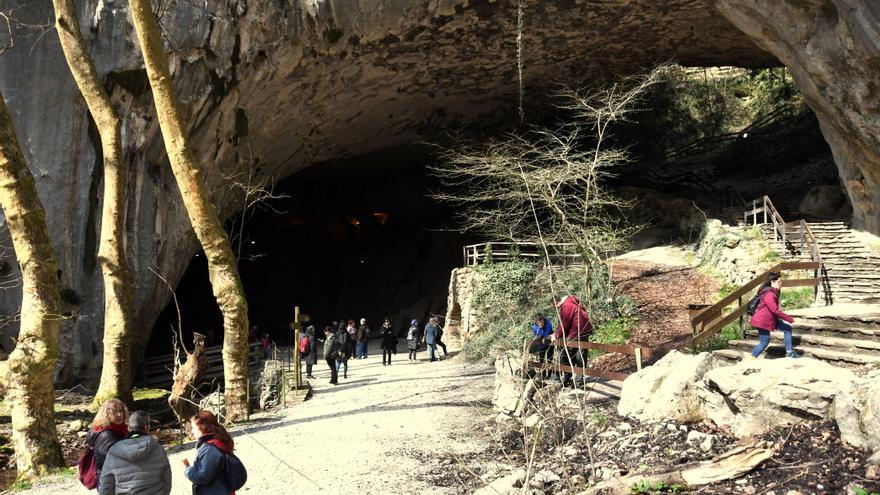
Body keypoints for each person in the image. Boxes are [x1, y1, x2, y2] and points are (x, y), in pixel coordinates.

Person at [99, 410, 172, 495]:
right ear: (146, 427)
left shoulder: (113, 452)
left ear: (128, 428)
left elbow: (105, 486)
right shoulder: (158, 448)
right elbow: (167, 480)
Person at [750, 272, 801, 359]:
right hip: (763, 320)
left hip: (770, 318)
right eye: (779, 282)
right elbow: (774, 310)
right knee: (764, 342)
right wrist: (789, 319)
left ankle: (790, 352)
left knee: (787, 329)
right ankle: (752, 358)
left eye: (781, 282)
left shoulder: (772, 292)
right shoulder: (769, 294)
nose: (781, 284)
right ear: (772, 282)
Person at [184, 411, 235, 495]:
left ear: (203, 427)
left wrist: (187, 469)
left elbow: (202, 476)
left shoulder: (210, 449)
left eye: (193, 428)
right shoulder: (219, 440)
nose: (192, 431)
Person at [86, 399, 130, 488]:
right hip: (109, 481)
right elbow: (116, 457)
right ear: (107, 415)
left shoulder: (121, 429)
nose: (119, 415)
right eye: (114, 412)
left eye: (120, 411)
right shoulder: (105, 434)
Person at [553, 294, 592, 387]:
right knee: (581, 356)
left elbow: (565, 324)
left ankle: (566, 377)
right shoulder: (574, 302)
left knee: (565, 354)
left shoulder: (566, 305)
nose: (558, 309)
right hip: (584, 331)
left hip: (576, 332)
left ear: (557, 303)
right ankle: (578, 381)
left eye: (556, 307)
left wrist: (557, 335)